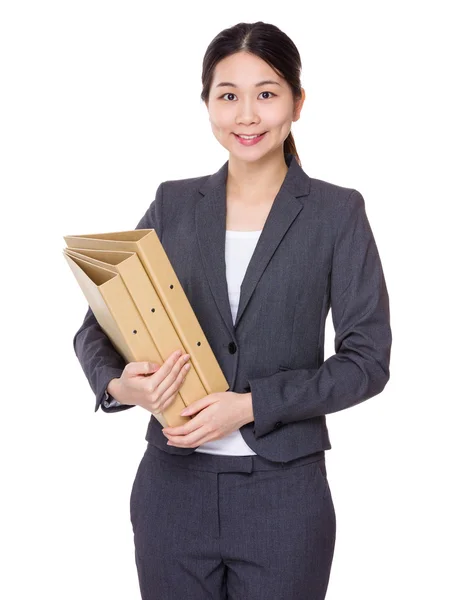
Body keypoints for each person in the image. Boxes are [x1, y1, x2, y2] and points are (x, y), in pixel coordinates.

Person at [73, 21, 392, 600]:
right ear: (207, 104)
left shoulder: (336, 213)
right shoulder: (173, 203)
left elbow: (366, 362)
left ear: (298, 102)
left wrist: (250, 405)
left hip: (285, 495)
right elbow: (98, 326)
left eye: (266, 94)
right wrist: (122, 386)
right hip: (172, 490)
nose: (246, 115)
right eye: (228, 96)